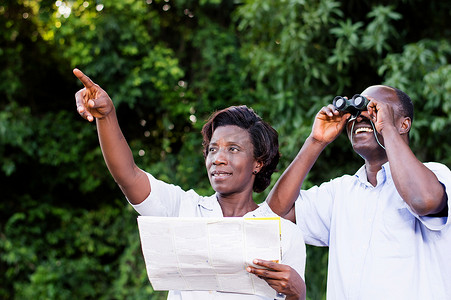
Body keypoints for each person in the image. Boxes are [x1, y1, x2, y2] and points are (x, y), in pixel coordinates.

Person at [73, 68, 306, 300]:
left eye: (233, 149)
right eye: (213, 149)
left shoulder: (284, 234)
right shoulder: (183, 209)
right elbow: (128, 175)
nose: (218, 158)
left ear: (258, 163)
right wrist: (106, 116)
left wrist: (298, 293)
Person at [266, 85, 451, 299]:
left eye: (374, 110)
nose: (360, 118)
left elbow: (424, 200)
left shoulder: (436, 175)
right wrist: (316, 142)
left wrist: (387, 128)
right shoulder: (340, 192)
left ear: (404, 124)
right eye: (354, 113)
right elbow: (274, 214)